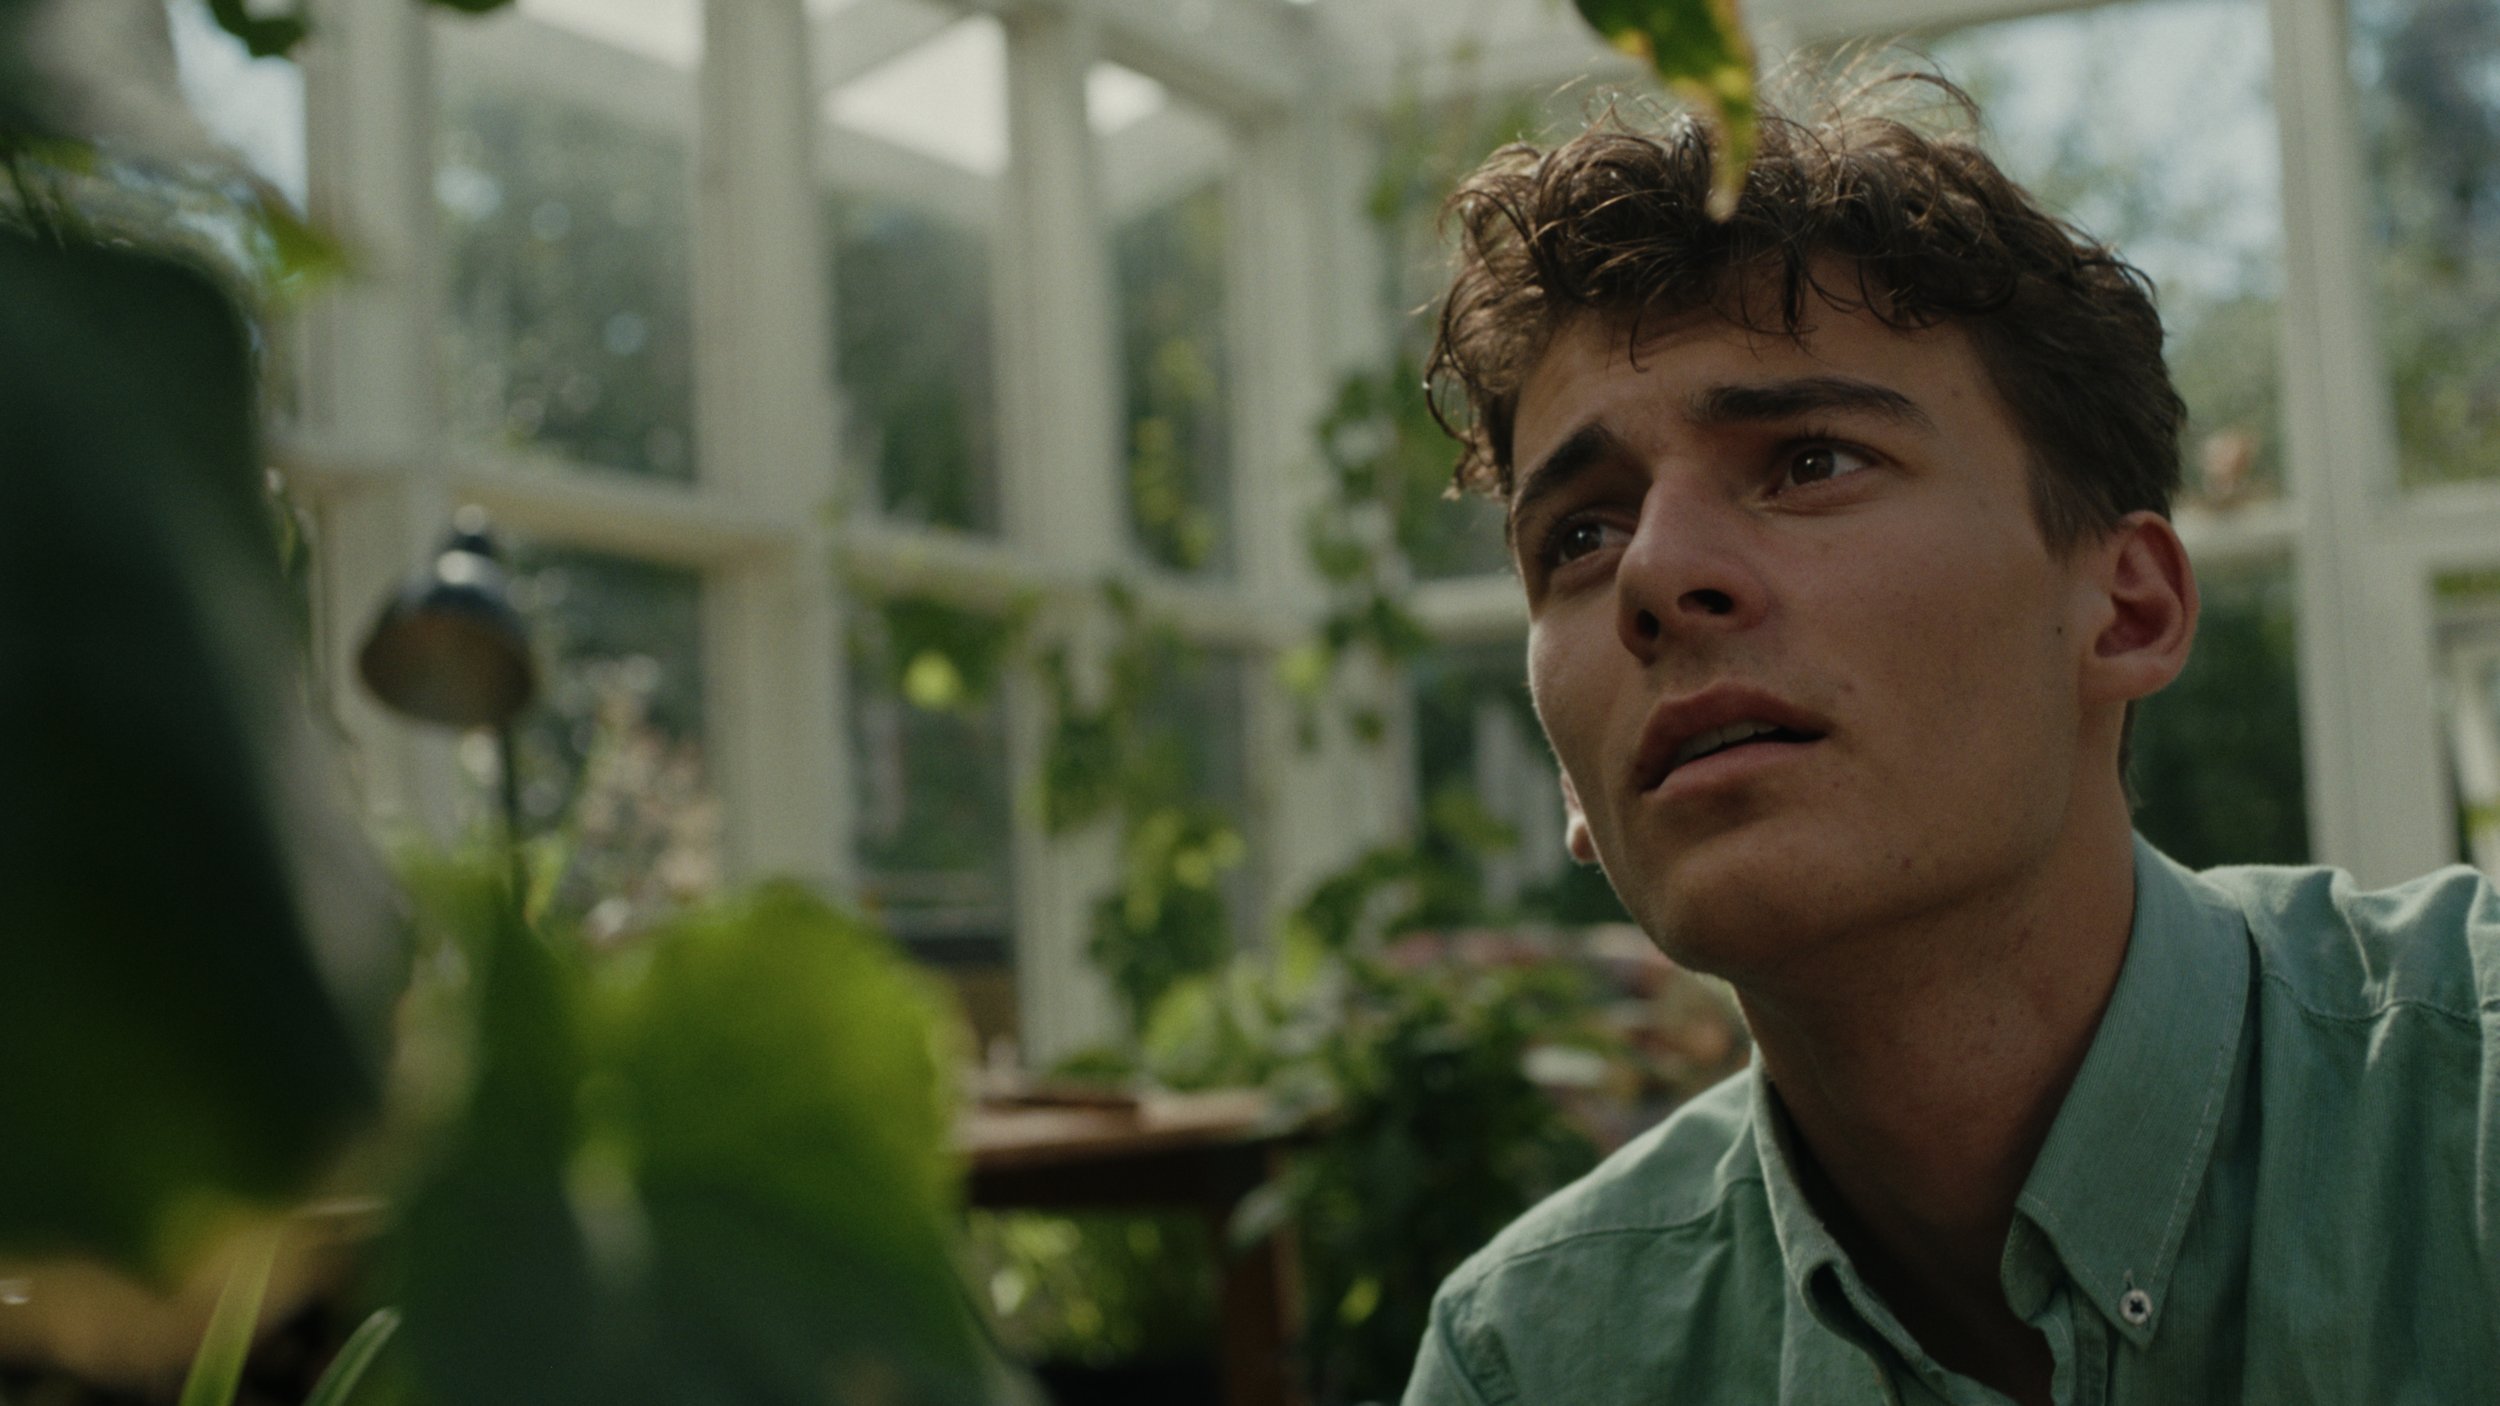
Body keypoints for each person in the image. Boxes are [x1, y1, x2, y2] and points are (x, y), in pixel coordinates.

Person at [1401, 77, 2500, 1405]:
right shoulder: (1535, 1361)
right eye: (1577, 536)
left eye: (1809, 459)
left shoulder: (2472, 1112)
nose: (1652, 572)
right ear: (1574, 786)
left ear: (2126, 607)